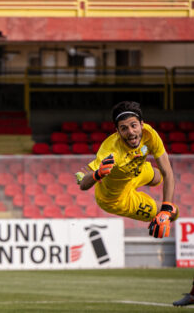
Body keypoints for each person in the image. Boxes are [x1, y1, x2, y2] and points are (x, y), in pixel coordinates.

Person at [75, 101, 190, 306]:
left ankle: (164, 207)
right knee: (167, 212)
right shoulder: (110, 151)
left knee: (158, 178)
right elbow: (83, 185)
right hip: (116, 197)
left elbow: (168, 172)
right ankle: (167, 212)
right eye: (124, 128)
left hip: (135, 171)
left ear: (142, 124)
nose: (131, 132)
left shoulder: (149, 134)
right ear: (117, 131)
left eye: (134, 125)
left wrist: (166, 206)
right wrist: (97, 174)